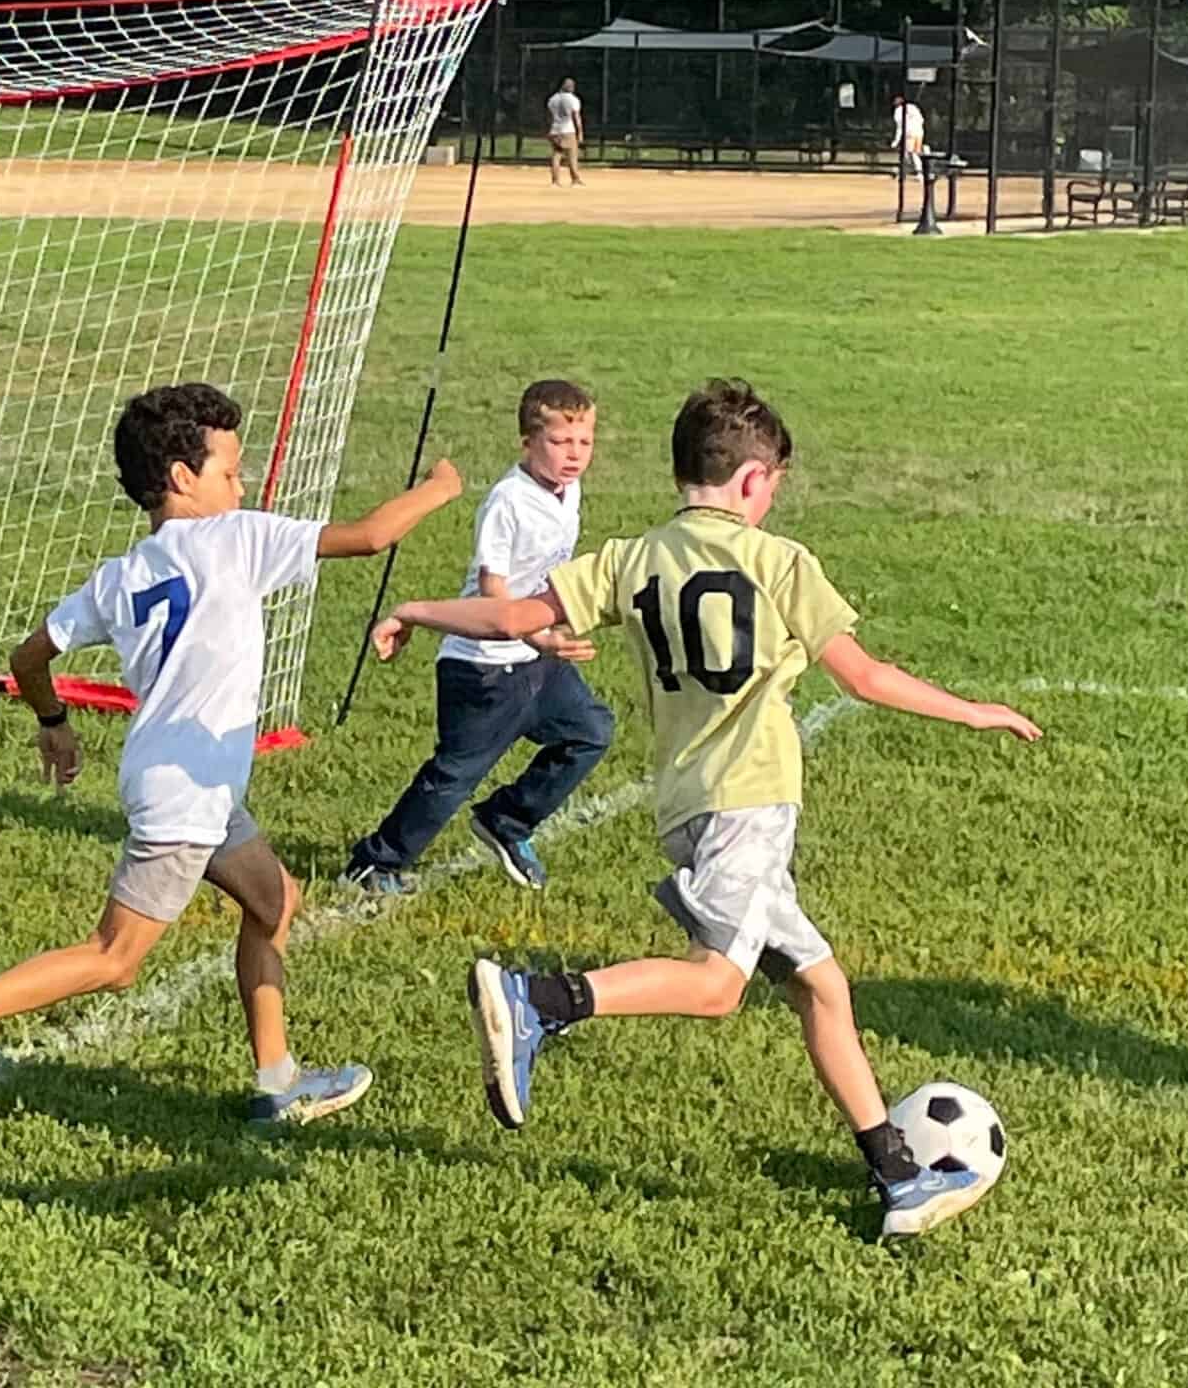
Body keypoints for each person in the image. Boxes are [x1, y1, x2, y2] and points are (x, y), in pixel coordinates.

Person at [369, 379, 1042, 1237]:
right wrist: (975, 709)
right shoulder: (779, 563)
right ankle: (541, 999)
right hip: (748, 806)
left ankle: (894, 1170)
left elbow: (508, 617)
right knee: (718, 985)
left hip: (685, 807)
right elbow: (865, 678)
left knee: (820, 986)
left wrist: (414, 610)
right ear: (756, 481)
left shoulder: (633, 556)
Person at [0, 384, 462, 1122]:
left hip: (191, 781)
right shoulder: (234, 539)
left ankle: (278, 1081)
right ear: (180, 477)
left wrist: (52, 721)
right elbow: (368, 537)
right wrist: (440, 488)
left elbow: (29, 655)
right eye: (230, 472)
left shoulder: (121, 573)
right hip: (184, 795)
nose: (243, 484)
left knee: (273, 899)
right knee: (115, 957)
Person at [341, 379, 614, 895]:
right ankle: (375, 863)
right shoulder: (507, 502)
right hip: (483, 666)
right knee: (454, 775)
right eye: (560, 442)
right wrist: (544, 639)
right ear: (527, 442)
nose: (575, 455)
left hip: (534, 654)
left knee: (591, 730)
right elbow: (494, 597)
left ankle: (507, 821)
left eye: (585, 442)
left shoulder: (568, 490)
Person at [547, 78, 586, 186]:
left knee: (556, 155)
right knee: (572, 155)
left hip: (555, 129)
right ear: (572, 88)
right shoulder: (573, 100)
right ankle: (575, 179)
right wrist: (580, 133)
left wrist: (549, 129)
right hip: (568, 130)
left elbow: (549, 116)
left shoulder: (553, 99)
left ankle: (555, 181)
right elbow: (576, 117)